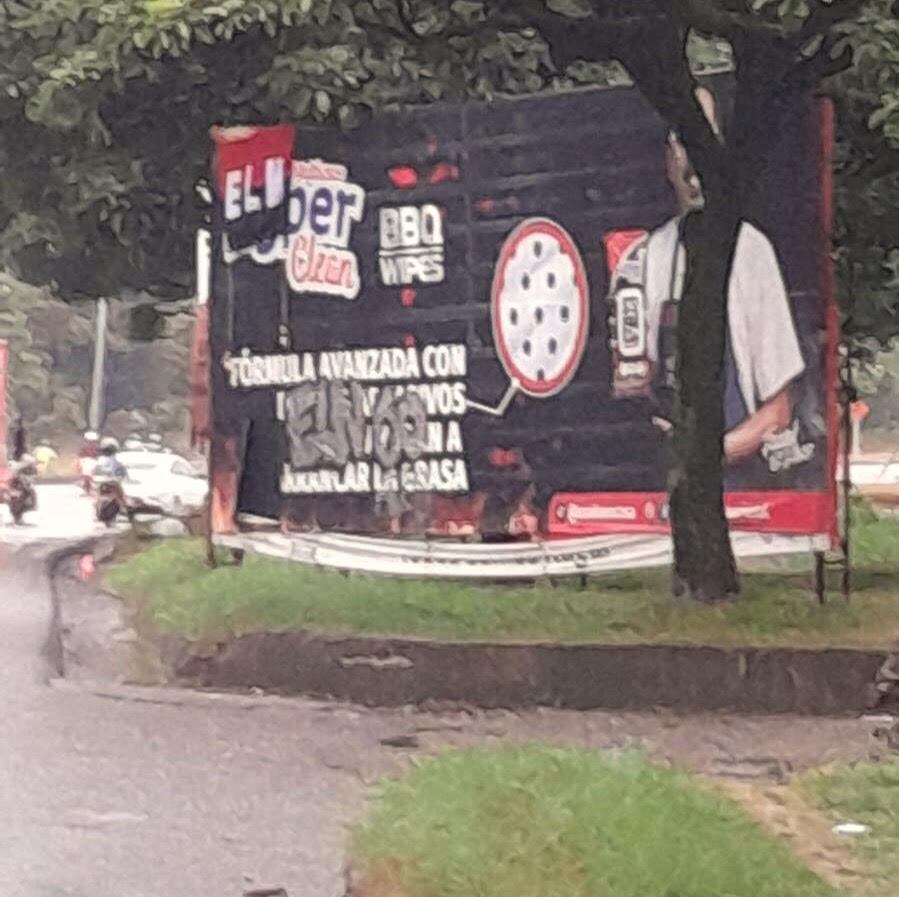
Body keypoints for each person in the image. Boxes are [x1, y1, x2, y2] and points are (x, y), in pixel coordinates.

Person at [610, 85, 807, 481]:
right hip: (663, 480)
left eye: (706, 135)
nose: (694, 158)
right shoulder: (640, 262)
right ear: (668, 157)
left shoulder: (751, 251)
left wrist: (713, 455)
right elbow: (631, 394)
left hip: (742, 479)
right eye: (683, 139)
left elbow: (778, 407)